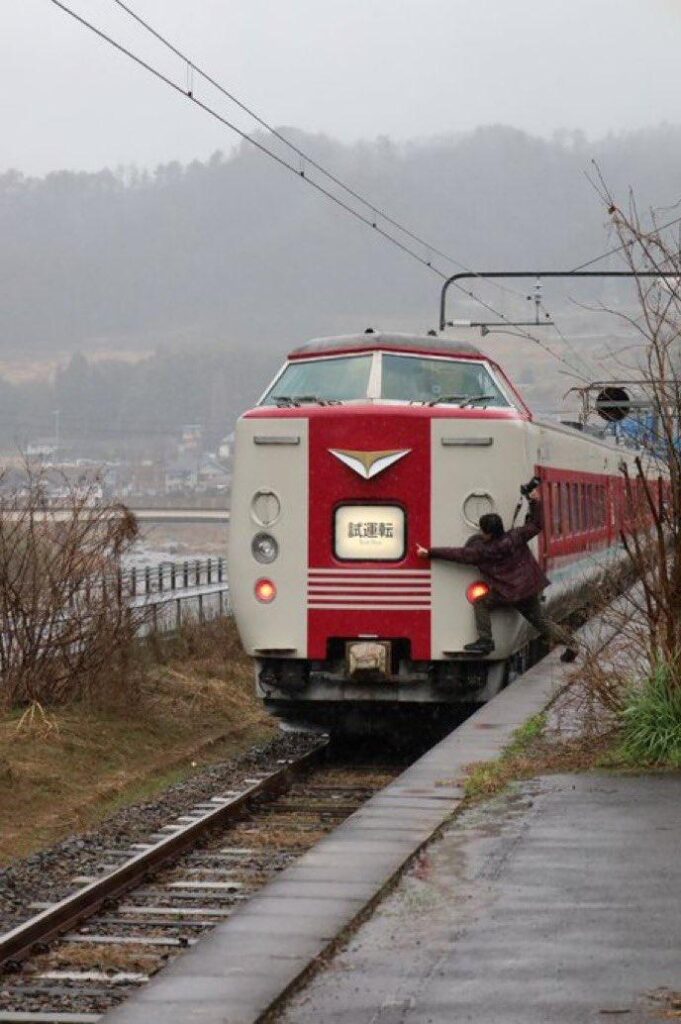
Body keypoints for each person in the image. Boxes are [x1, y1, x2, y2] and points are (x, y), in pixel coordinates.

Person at [416, 485, 577, 662]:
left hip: (508, 593)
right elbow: (536, 525)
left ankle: (485, 640)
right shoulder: (516, 536)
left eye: (482, 530)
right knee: (540, 621)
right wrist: (535, 502)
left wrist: (429, 552)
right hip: (528, 588)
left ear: (488, 533)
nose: (481, 533)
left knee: (481, 603)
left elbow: (457, 554)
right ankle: (571, 644)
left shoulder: (483, 551)